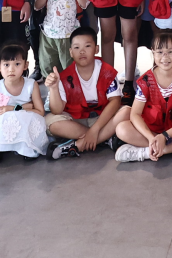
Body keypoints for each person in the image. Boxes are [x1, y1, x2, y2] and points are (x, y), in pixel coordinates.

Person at [114, 29, 172, 164]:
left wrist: (165, 136)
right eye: (159, 52)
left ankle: (146, 152)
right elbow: (135, 114)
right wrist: (151, 138)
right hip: (153, 131)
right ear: (153, 53)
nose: (165, 57)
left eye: (170, 52)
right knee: (121, 129)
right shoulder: (146, 80)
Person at [45, 26, 126, 159]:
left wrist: (95, 129)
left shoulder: (107, 72)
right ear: (71, 52)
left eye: (87, 46)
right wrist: (53, 88)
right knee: (50, 122)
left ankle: (78, 145)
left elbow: (115, 101)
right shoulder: (64, 76)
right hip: (77, 121)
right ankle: (104, 139)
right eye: (76, 47)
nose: (82, 51)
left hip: (101, 119)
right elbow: (57, 110)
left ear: (96, 49)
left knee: (127, 112)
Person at [0, 42, 47, 163]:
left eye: (17, 64)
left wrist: (11, 109)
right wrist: (26, 107)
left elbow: (40, 112)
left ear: (26, 65)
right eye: (6, 65)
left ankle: (27, 148)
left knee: (25, 118)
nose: (11, 69)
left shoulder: (31, 85)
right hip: (4, 122)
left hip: (25, 120)